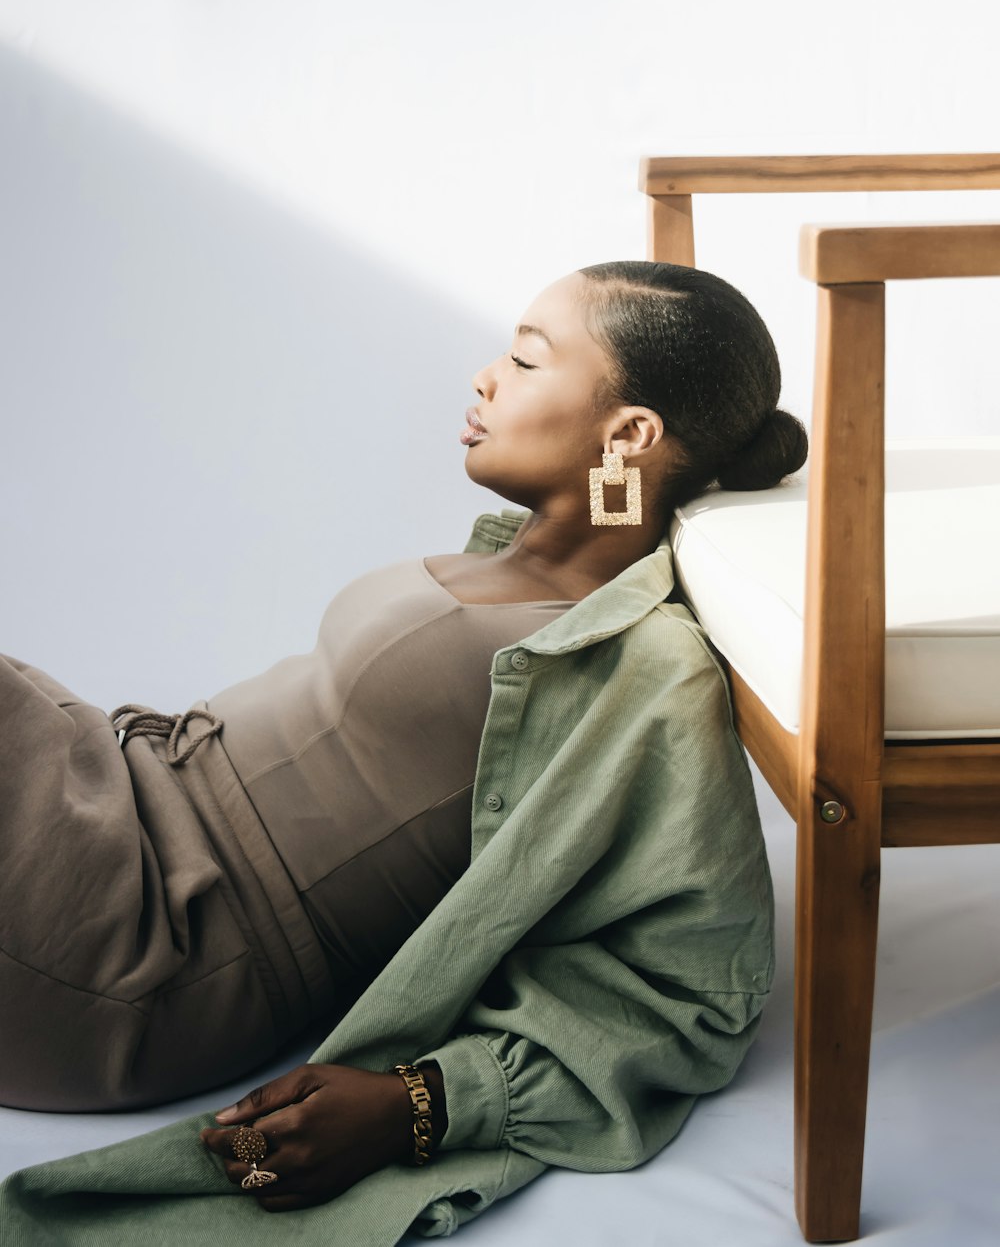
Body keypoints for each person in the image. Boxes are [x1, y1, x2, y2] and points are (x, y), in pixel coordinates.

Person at [0, 259, 806, 1241]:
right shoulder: (509, 552)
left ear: (628, 434)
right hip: (113, 793)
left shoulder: (634, 664)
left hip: (140, 944)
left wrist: (421, 1104)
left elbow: (689, 991)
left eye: (523, 357)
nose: (484, 378)